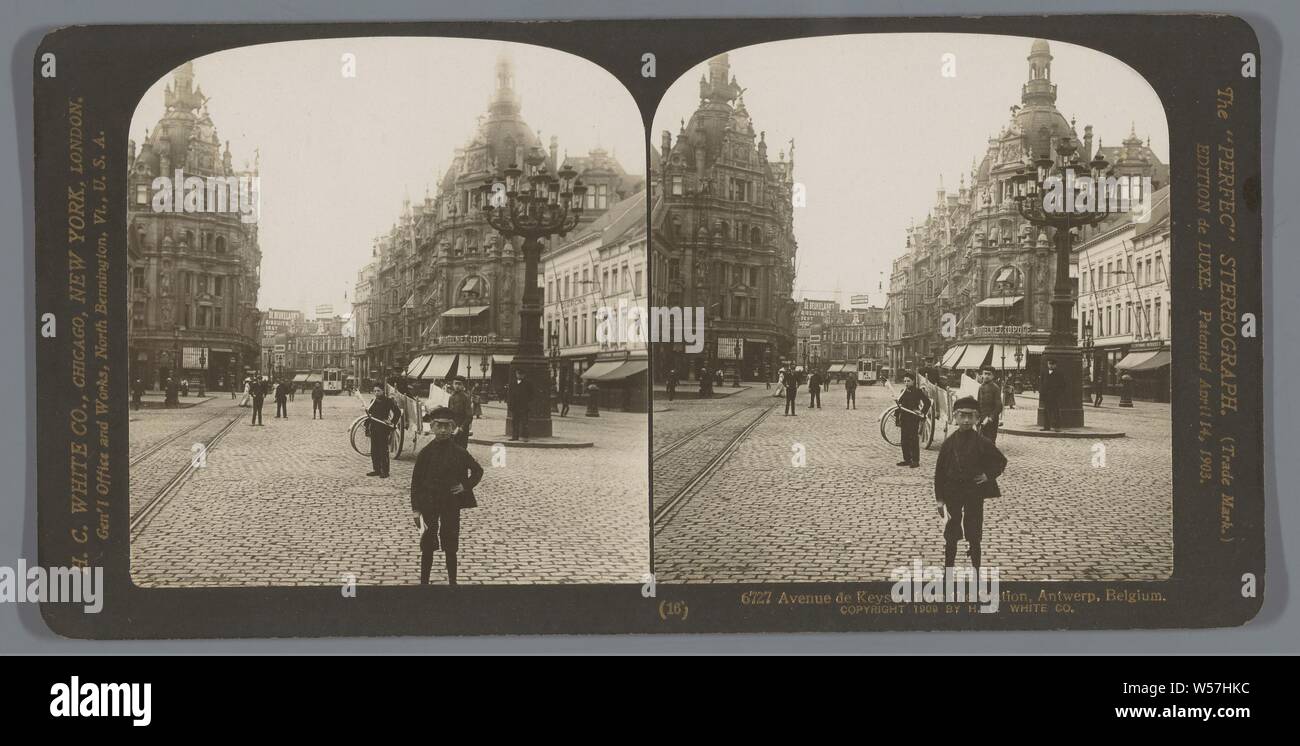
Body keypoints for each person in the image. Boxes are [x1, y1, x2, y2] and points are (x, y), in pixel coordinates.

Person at [411, 406, 484, 585]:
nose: (443, 430)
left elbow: (477, 471)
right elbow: (416, 483)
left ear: (452, 428)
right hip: (429, 503)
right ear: (433, 428)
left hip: (451, 503)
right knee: (427, 542)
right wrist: (416, 510)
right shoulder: (425, 453)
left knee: (451, 543)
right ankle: (424, 583)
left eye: (447, 427)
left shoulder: (459, 452)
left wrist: (464, 486)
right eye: (439, 426)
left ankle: (453, 582)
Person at [934, 395, 1007, 570]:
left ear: (977, 418)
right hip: (952, 492)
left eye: (971, 416)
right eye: (962, 416)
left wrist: (988, 475)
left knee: (974, 533)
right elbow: (939, 472)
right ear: (956, 417)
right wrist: (940, 499)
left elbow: (1000, 461)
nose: (966, 420)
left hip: (974, 492)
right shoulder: (948, 444)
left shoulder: (982, 442)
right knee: (951, 533)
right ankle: (948, 571)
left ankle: (976, 570)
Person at [895, 373, 931, 468]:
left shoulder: (918, 391)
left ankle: (915, 460)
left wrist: (921, 413)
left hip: (913, 418)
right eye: (905, 381)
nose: (906, 383)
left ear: (913, 381)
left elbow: (928, 402)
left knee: (913, 439)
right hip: (904, 418)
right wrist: (897, 418)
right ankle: (907, 459)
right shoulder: (903, 391)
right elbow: (898, 405)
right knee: (904, 440)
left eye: (908, 381)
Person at [365, 385, 402, 477]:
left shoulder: (389, 401)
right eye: (375, 391)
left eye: (378, 391)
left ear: (383, 391)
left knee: (383, 449)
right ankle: (376, 469)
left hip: (383, 428)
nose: (376, 393)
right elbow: (370, 415)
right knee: (374, 449)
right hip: (374, 427)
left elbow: (398, 412)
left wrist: (392, 422)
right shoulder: (373, 401)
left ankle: (385, 471)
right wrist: (367, 427)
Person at [976, 365, 1003, 444]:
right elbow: (978, 402)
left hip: (991, 420)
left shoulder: (995, 388)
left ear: (993, 376)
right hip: (982, 418)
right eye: (985, 374)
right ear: (982, 375)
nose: (986, 376)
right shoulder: (980, 387)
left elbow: (999, 406)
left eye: (989, 374)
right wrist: (977, 416)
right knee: (981, 439)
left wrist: (991, 417)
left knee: (990, 439)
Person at [1039, 358, 1065, 431]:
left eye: (1052, 364)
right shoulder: (1044, 372)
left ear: (1055, 365)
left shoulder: (1059, 373)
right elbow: (1042, 382)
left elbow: (1062, 385)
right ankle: (1046, 427)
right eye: (1049, 364)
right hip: (1046, 395)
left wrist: (1058, 393)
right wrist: (1041, 391)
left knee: (1056, 411)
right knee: (1046, 411)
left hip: (1054, 396)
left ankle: (1057, 427)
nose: (1050, 366)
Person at [448, 376, 473, 449]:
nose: (457, 386)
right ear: (453, 384)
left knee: (461, 449)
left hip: (462, 429)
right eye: (455, 384)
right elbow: (449, 413)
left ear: (463, 386)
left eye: (459, 384)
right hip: (453, 428)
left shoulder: (466, 398)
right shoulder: (451, 397)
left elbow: (469, 416)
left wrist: (461, 428)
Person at [507, 371, 532, 442]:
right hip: (515, 406)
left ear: (524, 375)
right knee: (515, 422)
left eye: (520, 374)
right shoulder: (513, 383)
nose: (519, 375)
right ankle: (515, 436)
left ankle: (525, 437)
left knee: (524, 422)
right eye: (518, 374)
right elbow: (510, 394)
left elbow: (531, 394)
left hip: (524, 406)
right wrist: (510, 404)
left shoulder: (527, 383)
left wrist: (527, 402)